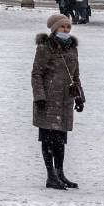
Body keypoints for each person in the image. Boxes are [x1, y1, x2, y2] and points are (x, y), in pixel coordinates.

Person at [32, 14, 84, 190]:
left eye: (68, 27)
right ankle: (50, 175)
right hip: (48, 99)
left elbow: (75, 75)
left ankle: (60, 173)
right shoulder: (46, 47)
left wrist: (80, 97)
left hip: (65, 100)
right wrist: (39, 96)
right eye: (63, 27)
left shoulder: (72, 48)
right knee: (48, 138)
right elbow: (36, 73)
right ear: (54, 29)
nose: (66, 30)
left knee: (60, 138)